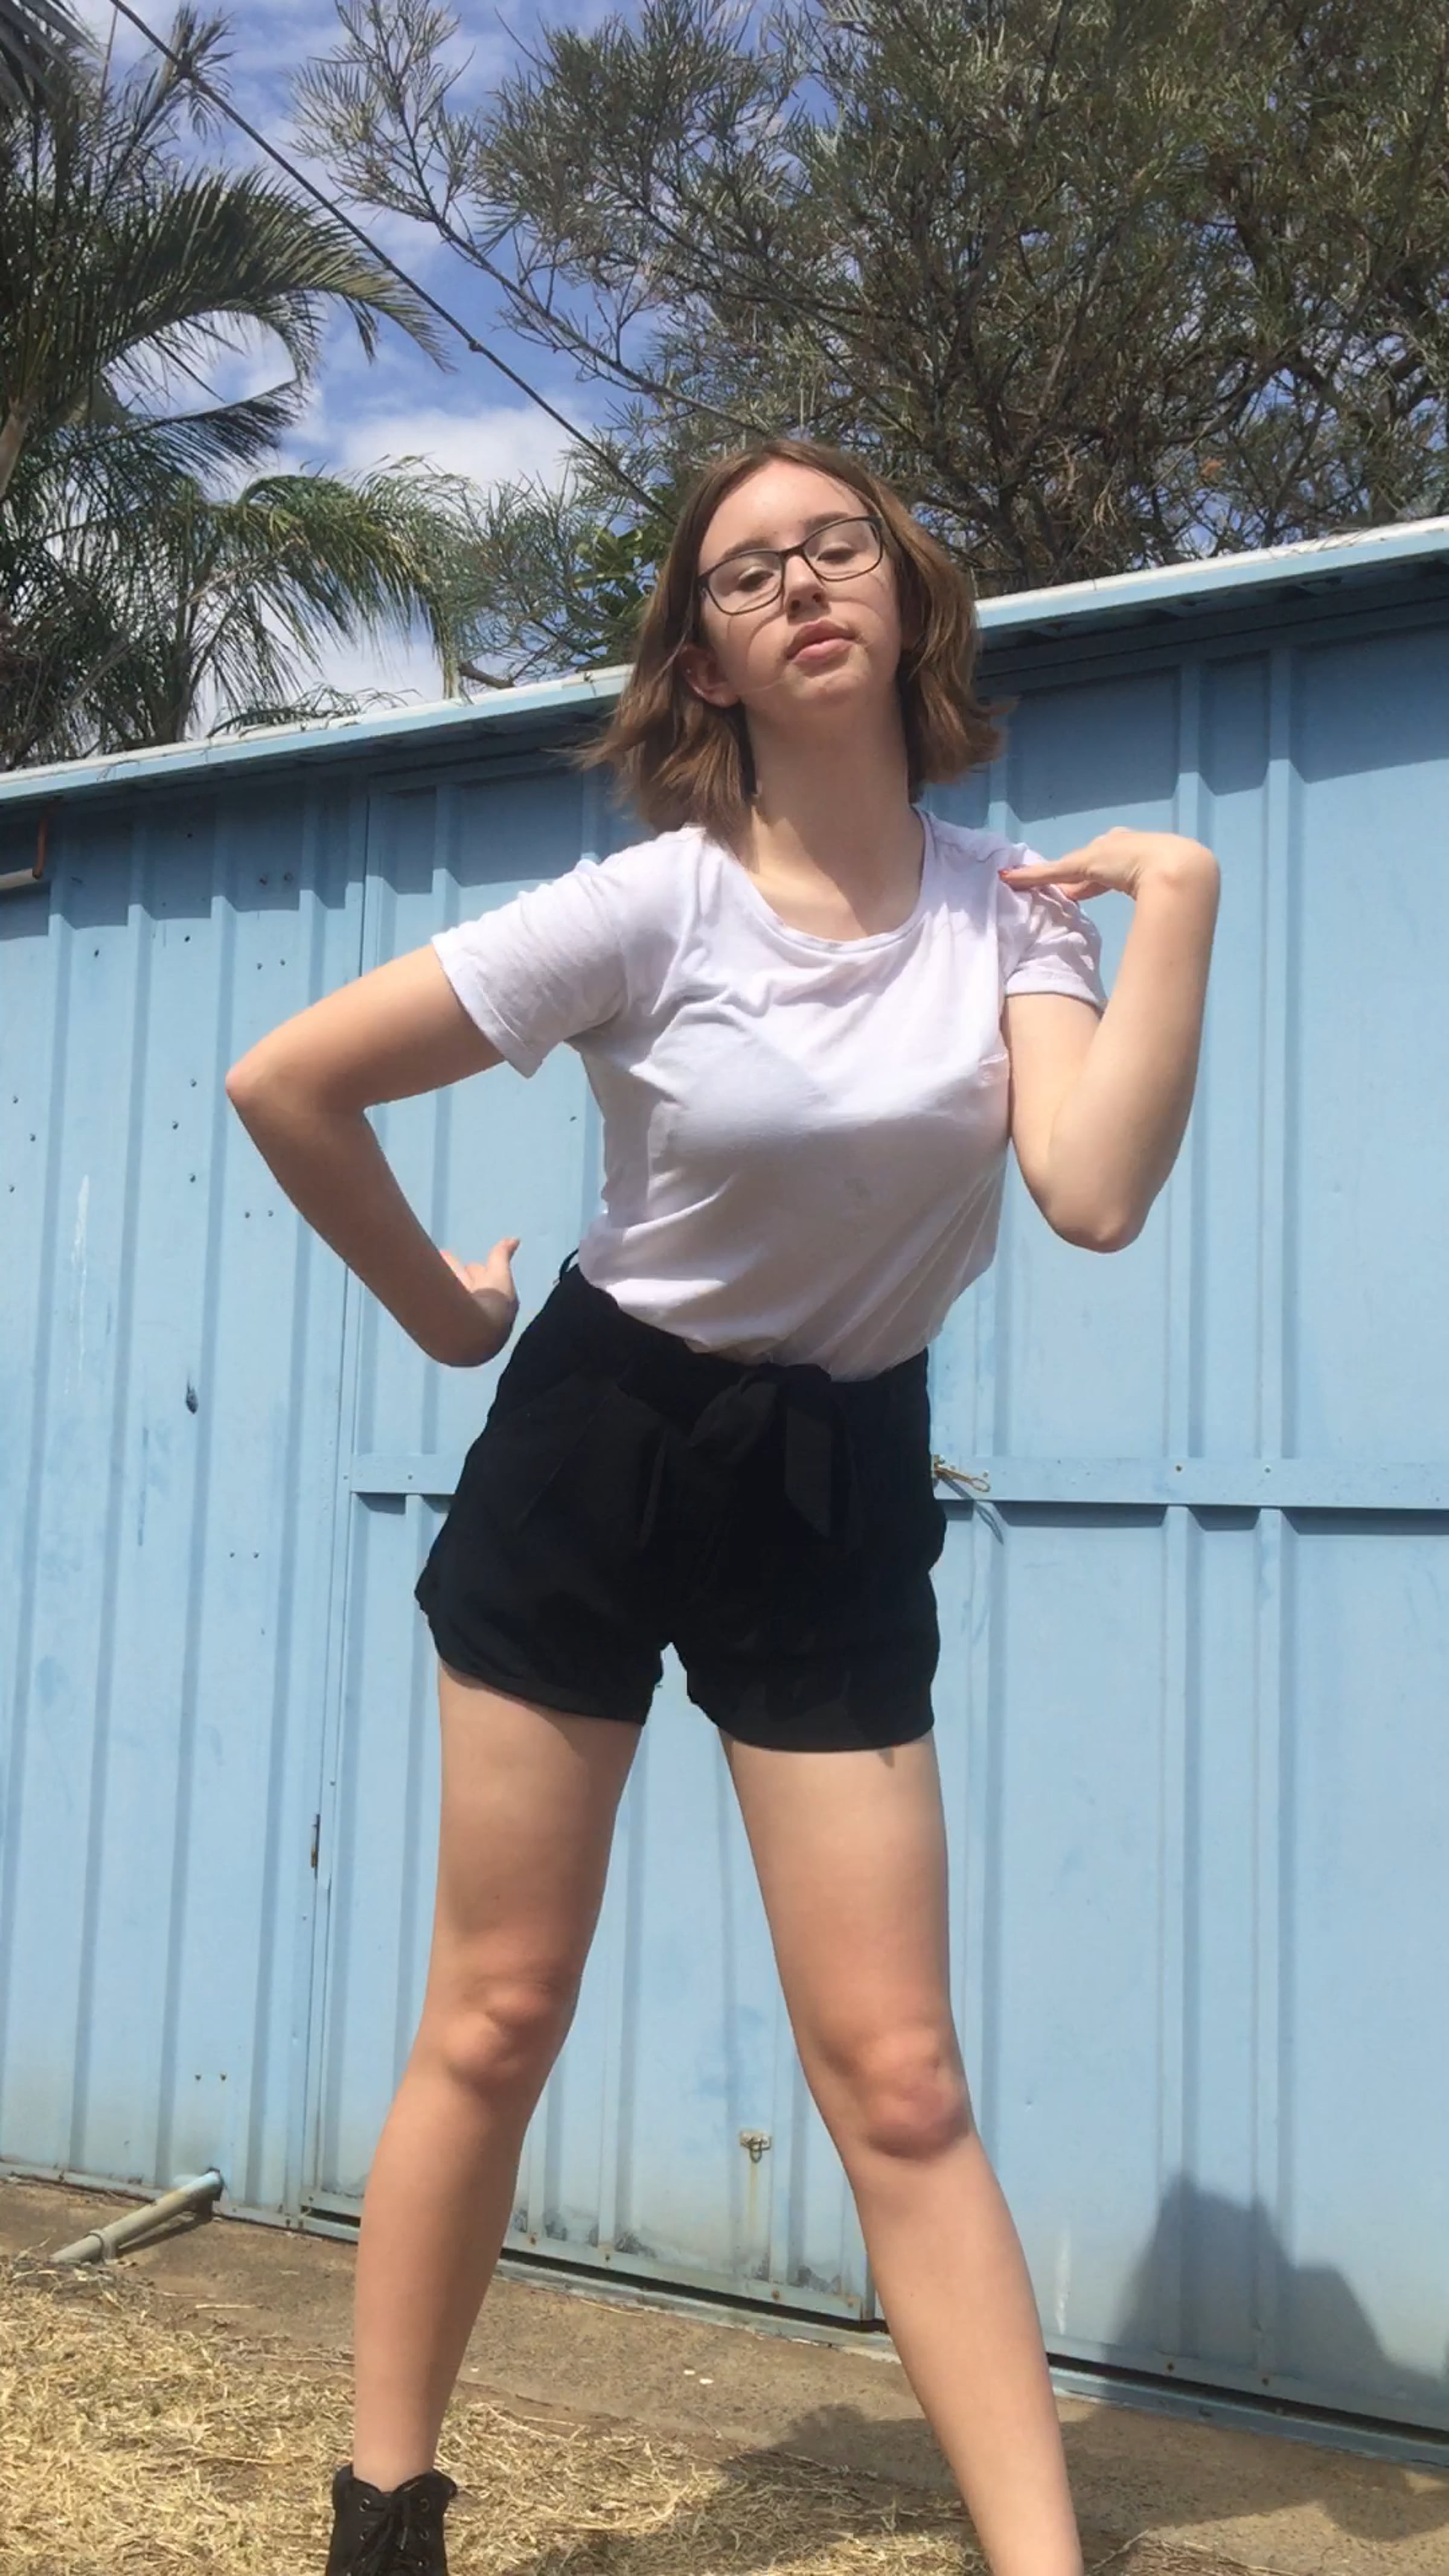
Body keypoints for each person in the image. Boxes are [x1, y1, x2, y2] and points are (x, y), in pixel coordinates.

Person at [225, 433, 1220, 2576]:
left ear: (905, 589)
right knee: (499, 2010)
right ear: (706, 659)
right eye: (746, 572)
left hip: (835, 1480)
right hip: (598, 1443)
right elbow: (287, 1083)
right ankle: (384, 2521)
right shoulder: (652, 904)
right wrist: (446, 1316)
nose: (800, 583)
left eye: (835, 545)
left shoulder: (1011, 913)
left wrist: (1184, 911)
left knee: (902, 2073)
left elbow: (1092, 1189)